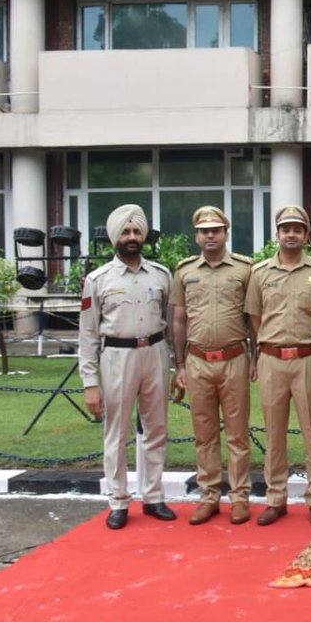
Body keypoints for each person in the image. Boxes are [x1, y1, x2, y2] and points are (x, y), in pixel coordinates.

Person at [79, 204, 175, 530]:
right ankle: (118, 500)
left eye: (136, 231)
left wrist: (180, 366)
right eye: (125, 231)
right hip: (116, 357)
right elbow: (88, 335)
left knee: (156, 428)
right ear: (114, 237)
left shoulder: (162, 275)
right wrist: (90, 382)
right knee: (117, 431)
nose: (132, 237)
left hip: (155, 352)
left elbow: (171, 324)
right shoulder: (97, 280)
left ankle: (153, 496)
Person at [171, 206, 255, 526]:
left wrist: (256, 358)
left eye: (216, 230)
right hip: (197, 361)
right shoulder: (185, 271)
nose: (211, 235)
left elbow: (253, 318)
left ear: (226, 233)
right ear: (197, 236)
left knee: (237, 434)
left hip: (234, 358)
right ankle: (209, 495)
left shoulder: (245, 269)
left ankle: (239, 497)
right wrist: (178, 364)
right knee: (204, 435)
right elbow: (178, 320)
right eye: (205, 231)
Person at [246, 205, 311, 526]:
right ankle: (275, 497)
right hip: (272, 361)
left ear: (306, 235)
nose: (291, 234)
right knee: (274, 433)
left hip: (307, 359)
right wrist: (268, 344)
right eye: (285, 229)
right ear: (277, 234)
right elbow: (254, 316)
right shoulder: (260, 273)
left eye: (297, 229)